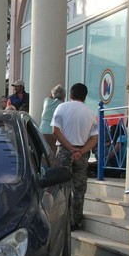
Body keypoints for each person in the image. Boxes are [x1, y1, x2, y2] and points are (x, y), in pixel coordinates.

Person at [51, 83, 98, 230]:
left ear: (70, 95)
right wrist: (81, 151)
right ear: (85, 97)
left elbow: (55, 131)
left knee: (63, 186)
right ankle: (76, 221)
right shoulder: (91, 114)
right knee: (79, 187)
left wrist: (70, 148)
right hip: (82, 154)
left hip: (65, 151)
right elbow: (94, 139)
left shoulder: (61, 107)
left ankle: (63, 219)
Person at [40, 84, 66, 153]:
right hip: (53, 132)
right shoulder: (62, 105)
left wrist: (53, 93)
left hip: (42, 131)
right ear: (63, 96)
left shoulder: (46, 101)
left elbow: (50, 96)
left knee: (43, 153)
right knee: (52, 154)